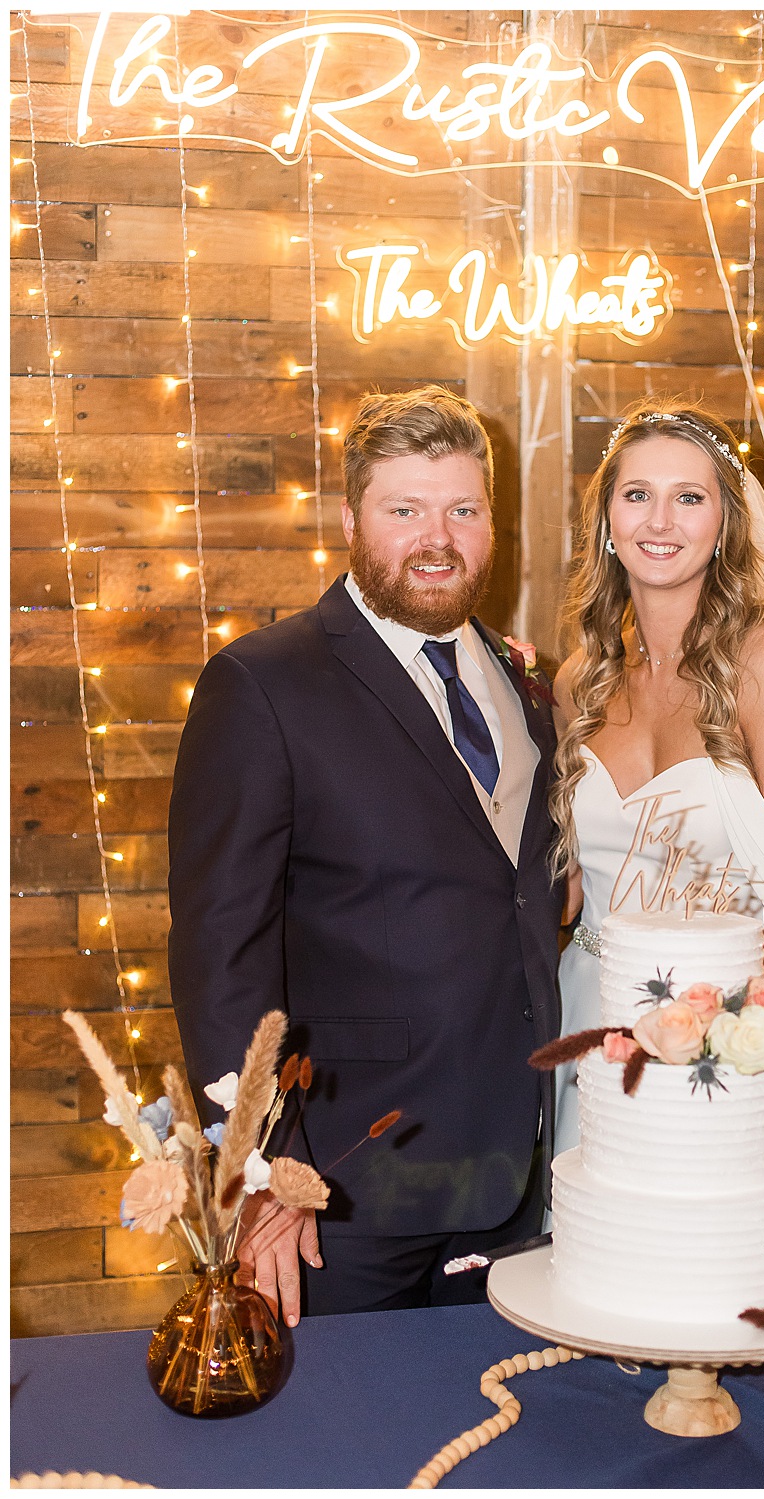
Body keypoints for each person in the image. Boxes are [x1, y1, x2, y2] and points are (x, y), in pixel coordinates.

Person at [169, 386, 561, 1322]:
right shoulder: (261, 683)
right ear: (350, 520)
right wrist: (256, 1169)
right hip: (338, 1189)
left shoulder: (526, 680)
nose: (438, 539)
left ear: (492, 524)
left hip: (515, 1168)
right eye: (405, 510)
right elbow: (220, 949)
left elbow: (518, 892)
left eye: (463, 510)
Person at [548, 400, 764, 1210]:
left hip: (733, 1028)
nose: (660, 521)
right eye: (637, 495)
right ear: (607, 520)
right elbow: (570, 890)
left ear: (726, 521)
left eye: (688, 497)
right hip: (587, 1016)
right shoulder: (577, 682)